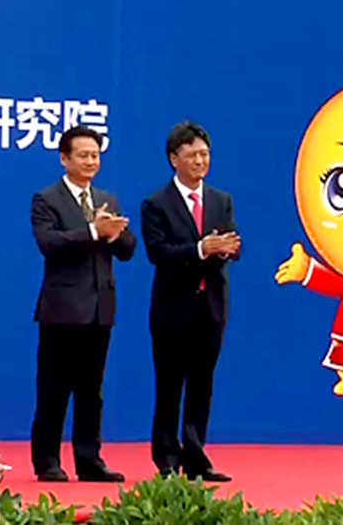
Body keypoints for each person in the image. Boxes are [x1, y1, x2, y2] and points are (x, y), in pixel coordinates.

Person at [30, 125, 136, 482]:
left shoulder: (107, 200)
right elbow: (49, 244)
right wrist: (93, 231)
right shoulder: (47, 199)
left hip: (100, 309)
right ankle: (47, 461)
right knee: (54, 389)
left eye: (95, 155)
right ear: (65, 158)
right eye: (84, 155)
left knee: (92, 391)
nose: (91, 161)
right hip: (61, 309)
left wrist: (114, 233)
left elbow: (128, 250)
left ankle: (89, 460)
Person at [140, 120, 239, 481]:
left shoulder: (221, 200)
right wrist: (200, 249)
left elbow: (232, 244)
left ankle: (196, 457)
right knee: (169, 385)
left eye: (205, 154)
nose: (200, 161)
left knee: (202, 385)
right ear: (174, 158)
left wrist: (225, 250)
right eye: (192, 154)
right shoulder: (156, 204)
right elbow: (158, 253)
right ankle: (167, 457)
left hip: (210, 307)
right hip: (172, 308)